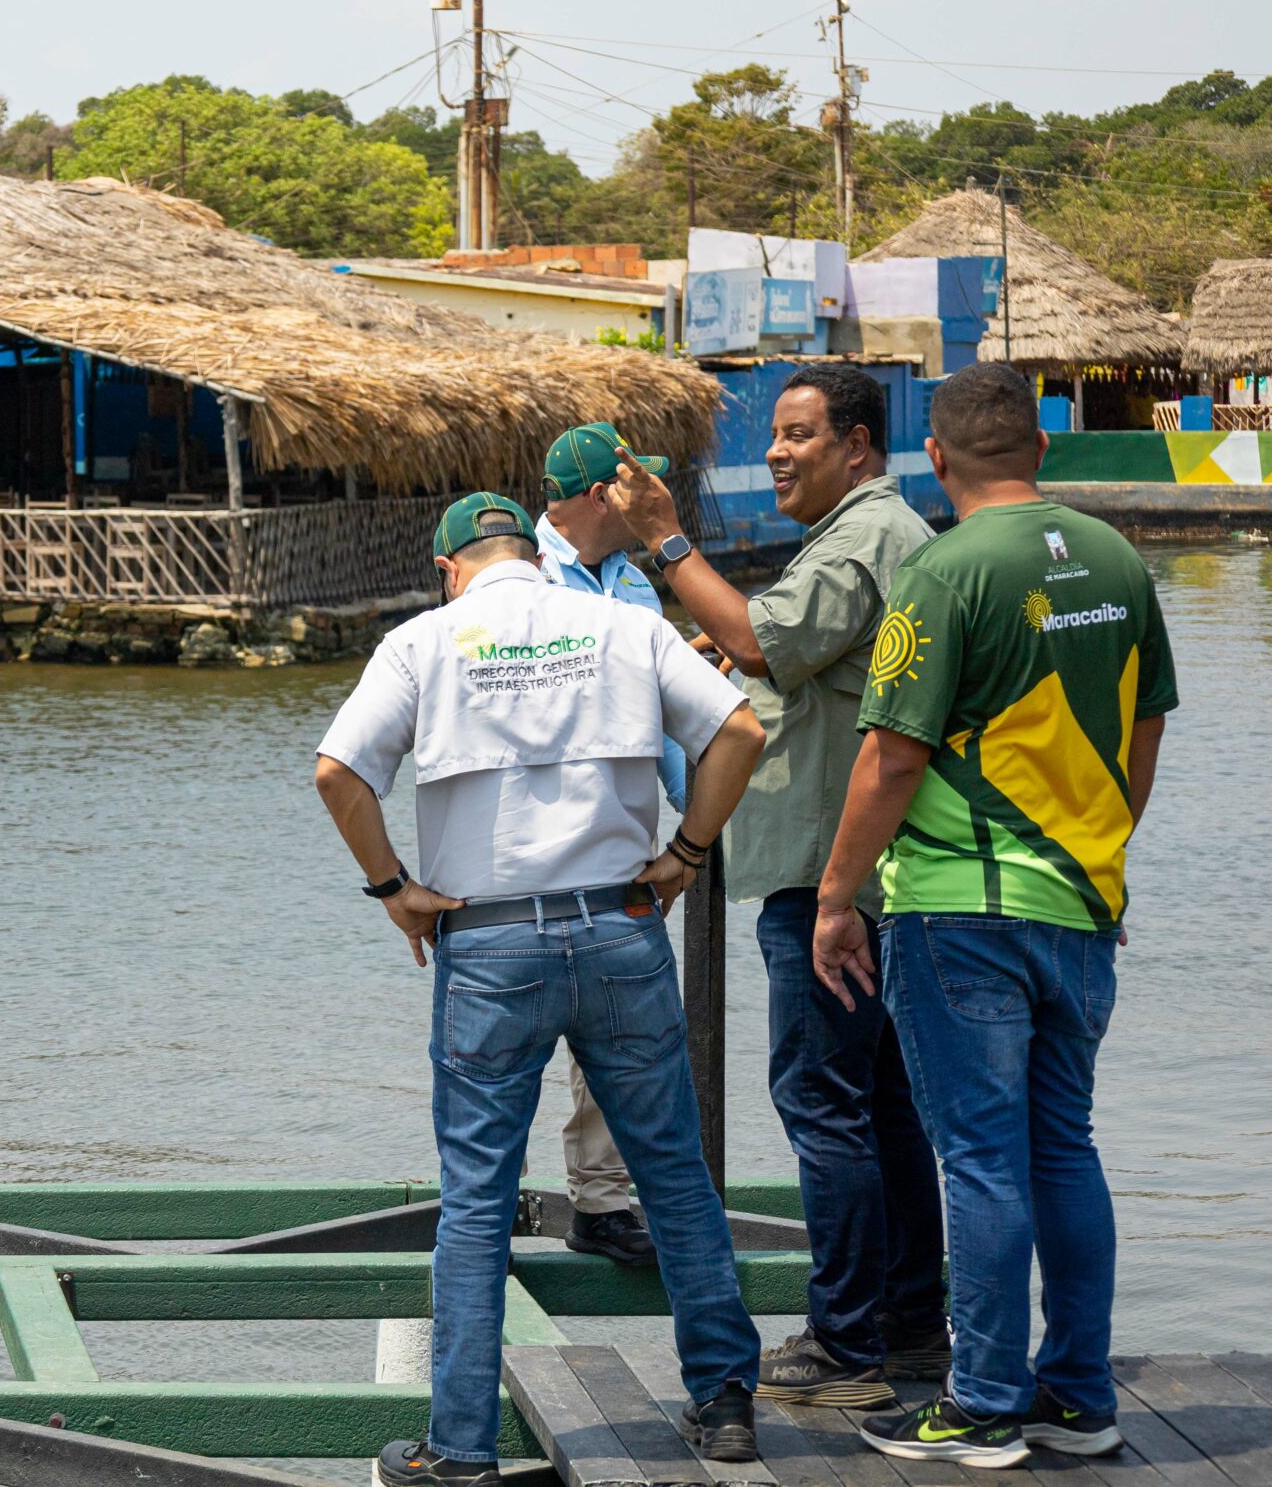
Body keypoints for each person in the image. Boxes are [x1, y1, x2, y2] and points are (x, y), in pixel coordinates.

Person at [315, 492, 770, 1484]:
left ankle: (460, 1449)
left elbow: (338, 773)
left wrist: (395, 890)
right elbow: (739, 732)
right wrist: (688, 850)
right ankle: (727, 1401)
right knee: (673, 1174)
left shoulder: (421, 643)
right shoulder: (622, 625)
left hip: (487, 944)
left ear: (449, 569)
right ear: (531, 552)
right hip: (618, 927)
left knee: (477, 1198)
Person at [809, 363, 1174, 1468]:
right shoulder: (1117, 559)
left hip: (959, 908)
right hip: (1082, 904)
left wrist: (836, 896)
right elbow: (1144, 728)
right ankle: (1078, 1396)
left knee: (976, 1158)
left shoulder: (942, 568)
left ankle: (979, 1404)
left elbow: (891, 757)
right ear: (1041, 447)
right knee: (1064, 1144)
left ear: (934, 457)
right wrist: (1097, 855)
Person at [605, 363, 949, 1405]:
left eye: (800, 433)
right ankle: (908, 1325)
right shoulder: (878, 534)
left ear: (857, 445)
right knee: (884, 1105)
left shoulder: (860, 538)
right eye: (775, 434)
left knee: (822, 1101)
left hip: (825, 875)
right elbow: (786, 657)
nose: (777, 452)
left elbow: (763, 637)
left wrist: (667, 541)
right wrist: (738, 654)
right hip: (874, 870)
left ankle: (846, 1346)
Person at [532, 421, 691, 1271]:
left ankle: (599, 1202)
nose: (652, 496)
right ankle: (482, 1210)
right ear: (603, 496)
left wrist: (699, 814)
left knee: (620, 1040)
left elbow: (661, 718)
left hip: (619, 846)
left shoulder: (633, 581)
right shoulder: (519, 572)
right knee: (510, 1041)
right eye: (637, 484)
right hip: (530, 844)